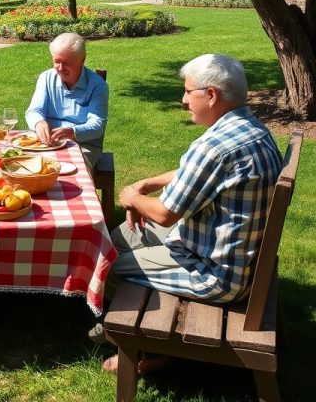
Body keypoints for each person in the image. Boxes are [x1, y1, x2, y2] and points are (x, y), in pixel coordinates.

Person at [99, 54, 282, 373]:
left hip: (216, 272)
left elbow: (166, 214)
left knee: (107, 267)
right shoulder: (254, 131)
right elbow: (196, 173)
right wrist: (149, 182)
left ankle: (150, 349)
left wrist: (132, 196)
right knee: (122, 235)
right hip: (233, 254)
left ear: (211, 95)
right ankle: (138, 327)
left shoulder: (214, 147)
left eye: (188, 92)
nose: (183, 100)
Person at [24, 32, 109, 168]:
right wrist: (38, 123)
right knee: (26, 167)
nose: (61, 68)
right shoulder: (46, 78)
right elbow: (34, 111)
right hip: (47, 142)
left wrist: (73, 132)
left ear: (82, 60)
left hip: (83, 145)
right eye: (57, 61)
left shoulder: (97, 85)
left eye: (67, 63)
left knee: (72, 171)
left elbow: (97, 125)